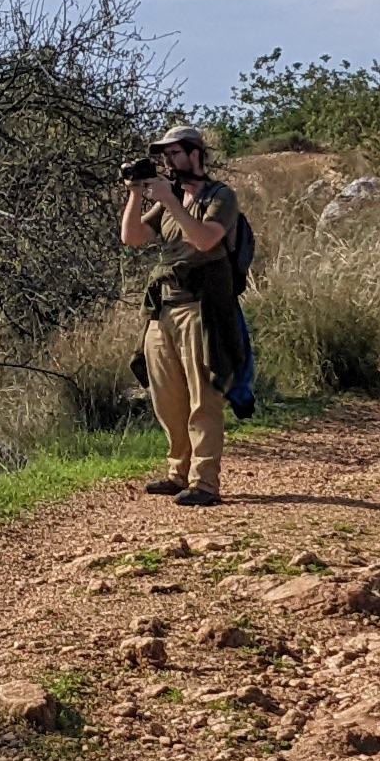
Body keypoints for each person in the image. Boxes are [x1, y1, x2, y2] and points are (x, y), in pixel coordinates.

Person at [120, 123, 242, 505]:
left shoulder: (220, 196)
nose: (169, 162)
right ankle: (178, 472)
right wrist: (136, 194)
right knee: (167, 397)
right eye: (164, 155)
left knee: (203, 397)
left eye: (175, 153)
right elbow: (133, 238)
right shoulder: (168, 198)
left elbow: (205, 239)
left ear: (195, 153)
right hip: (164, 309)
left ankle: (205, 482)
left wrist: (172, 203)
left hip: (201, 307)